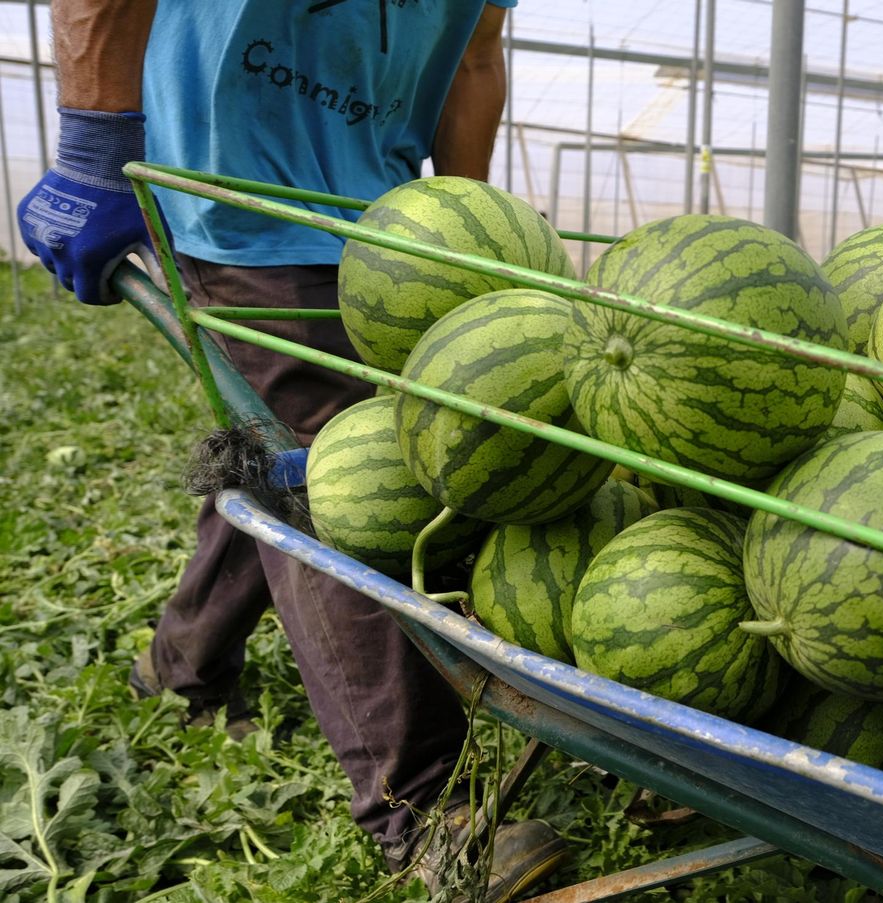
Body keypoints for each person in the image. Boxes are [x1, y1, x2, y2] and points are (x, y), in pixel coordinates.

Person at [16, 2, 563, 900]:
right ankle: (421, 807)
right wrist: (91, 142)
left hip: (385, 227)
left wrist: (468, 248)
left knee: (289, 452)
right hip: (229, 199)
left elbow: (475, 55)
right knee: (330, 478)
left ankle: (181, 666)